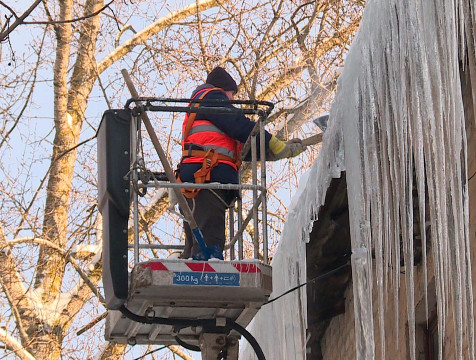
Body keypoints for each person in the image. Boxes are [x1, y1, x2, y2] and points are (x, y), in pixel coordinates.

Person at [178, 66, 306, 260]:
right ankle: (207, 276)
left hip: (198, 178)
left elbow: (245, 148)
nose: (232, 101)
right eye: (232, 95)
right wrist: (273, 142)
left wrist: (282, 150)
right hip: (206, 178)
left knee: (197, 240)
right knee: (208, 249)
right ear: (224, 89)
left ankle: (192, 265)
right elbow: (239, 124)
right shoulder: (211, 96)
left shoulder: (207, 112)